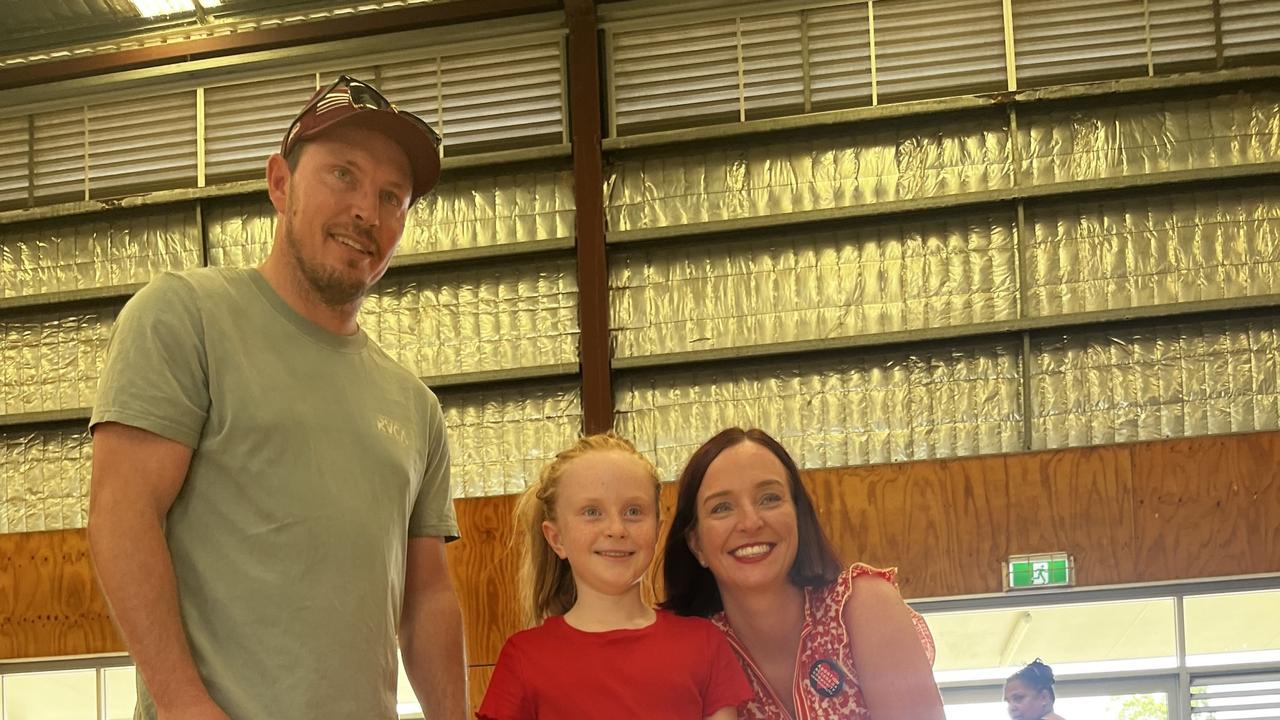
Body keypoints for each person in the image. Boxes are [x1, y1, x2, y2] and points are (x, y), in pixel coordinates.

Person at [87, 75, 467, 720]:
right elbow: (121, 513)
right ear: (280, 183)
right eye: (342, 175)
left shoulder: (414, 407)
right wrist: (183, 705)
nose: (366, 213)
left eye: (391, 196)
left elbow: (427, 595)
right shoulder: (186, 316)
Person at [661, 427, 945, 720]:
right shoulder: (692, 652)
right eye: (721, 507)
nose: (750, 522)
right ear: (696, 545)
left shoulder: (862, 605)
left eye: (769, 498)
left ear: (798, 515)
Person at [476, 434, 752, 720]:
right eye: (592, 512)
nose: (616, 529)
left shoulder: (704, 644)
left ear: (657, 529)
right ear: (556, 538)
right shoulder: (523, 658)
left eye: (633, 511)